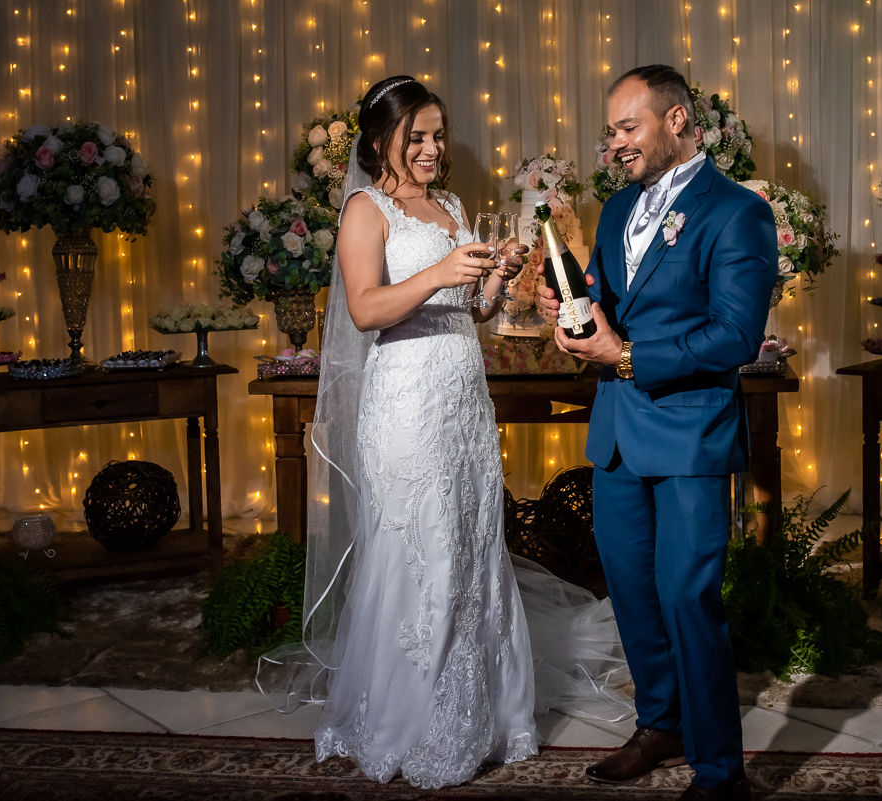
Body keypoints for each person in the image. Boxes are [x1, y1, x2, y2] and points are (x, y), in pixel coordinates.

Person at [278, 75, 630, 791]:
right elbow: (366, 308)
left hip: (463, 401)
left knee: (471, 545)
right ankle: (414, 723)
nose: (432, 149)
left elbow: (468, 310)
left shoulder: (453, 206)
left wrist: (494, 279)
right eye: (417, 137)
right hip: (406, 405)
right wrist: (441, 270)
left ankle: (483, 715)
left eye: (439, 135)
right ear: (381, 140)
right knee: (424, 551)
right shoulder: (366, 210)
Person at [538, 65, 777, 800]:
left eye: (627, 127)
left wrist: (627, 356)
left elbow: (735, 334)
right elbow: (604, 307)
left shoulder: (738, 211)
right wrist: (571, 319)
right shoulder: (615, 210)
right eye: (610, 130)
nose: (614, 143)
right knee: (634, 595)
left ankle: (719, 770)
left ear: (677, 121)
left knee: (686, 599)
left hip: (690, 436)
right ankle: (659, 725)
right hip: (618, 434)